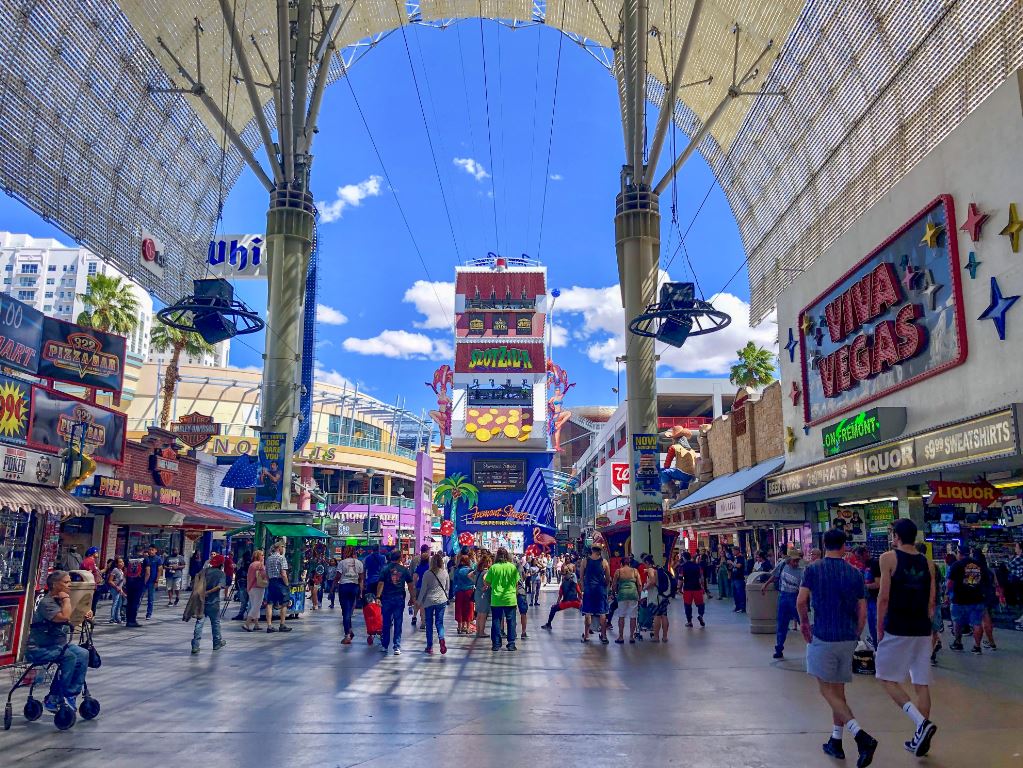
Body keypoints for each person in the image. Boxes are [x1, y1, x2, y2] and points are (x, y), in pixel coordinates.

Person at [797, 528, 878, 767]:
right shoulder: (854, 573)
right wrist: (856, 633)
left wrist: (803, 624)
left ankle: (861, 736)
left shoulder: (813, 570)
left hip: (823, 635)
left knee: (826, 691)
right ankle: (836, 741)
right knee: (839, 694)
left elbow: (801, 601)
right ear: (844, 546)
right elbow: (862, 609)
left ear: (824, 545)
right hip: (847, 637)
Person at [875, 518, 938, 758]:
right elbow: (931, 601)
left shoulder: (888, 559)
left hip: (897, 627)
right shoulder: (927, 563)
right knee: (921, 682)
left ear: (897, 537)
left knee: (885, 677)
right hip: (922, 628)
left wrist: (880, 627)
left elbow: (883, 597)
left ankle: (921, 724)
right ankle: (919, 737)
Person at [25, 571, 93, 712]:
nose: (69, 585)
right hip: (40, 647)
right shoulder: (47, 602)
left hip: (58, 645)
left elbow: (72, 617)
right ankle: (55, 696)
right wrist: (67, 600)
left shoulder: (61, 601)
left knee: (83, 653)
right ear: (56, 585)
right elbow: (64, 617)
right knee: (69, 657)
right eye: (66, 582)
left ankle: (71, 693)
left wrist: (85, 614)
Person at [763, 547, 804, 659]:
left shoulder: (802, 571)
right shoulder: (782, 566)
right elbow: (775, 577)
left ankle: (813, 646)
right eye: (794, 560)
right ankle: (779, 648)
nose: (796, 562)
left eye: (797, 560)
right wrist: (765, 585)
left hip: (795, 597)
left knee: (803, 623)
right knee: (781, 624)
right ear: (789, 560)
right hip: (783, 597)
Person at [377, 549, 415, 655]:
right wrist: (412, 597)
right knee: (398, 622)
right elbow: (410, 585)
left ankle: (385, 645)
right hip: (399, 598)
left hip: (387, 598)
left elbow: (380, 583)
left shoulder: (385, 569)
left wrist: (378, 597)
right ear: (400, 558)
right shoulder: (403, 570)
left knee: (386, 622)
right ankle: (396, 646)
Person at [947, 547, 986, 654]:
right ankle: (977, 647)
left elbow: (950, 583)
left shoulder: (956, 565)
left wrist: (947, 595)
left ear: (959, 553)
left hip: (959, 599)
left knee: (957, 622)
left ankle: (958, 642)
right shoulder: (978, 564)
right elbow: (984, 579)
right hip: (977, 598)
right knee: (977, 623)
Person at [191, 553, 227, 654]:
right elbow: (220, 586)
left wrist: (201, 592)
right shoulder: (221, 574)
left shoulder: (204, 571)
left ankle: (195, 645)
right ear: (221, 564)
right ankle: (216, 643)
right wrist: (208, 592)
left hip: (201, 602)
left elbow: (195, 581)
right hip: (214, 602)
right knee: (215, 623)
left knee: (199, 622)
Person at [485, 547, 519, 652]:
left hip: (496, 599)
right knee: (511, 621)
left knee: (496, 620)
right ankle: (511, 644)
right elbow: (517, 582)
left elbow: (487, 582)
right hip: (510, 599)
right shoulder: (512, 567)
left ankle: (496, 644)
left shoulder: (493, 568)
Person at [916, 543, 944, 665]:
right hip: (934, 602)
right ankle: (930, 654)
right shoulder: (934, 566)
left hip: (918, 602)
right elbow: (939, 584)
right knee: (933, 629)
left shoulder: (914, 567)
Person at [418, 553, 449, 654]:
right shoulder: (445, 573)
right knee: (439, 622)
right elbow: (447, 588)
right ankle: (441, 639)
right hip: (441, 600)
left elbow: (423, 589)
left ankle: (430, 646)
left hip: (429, 601)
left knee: (429, 623)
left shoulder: (427, 573)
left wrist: (419, 601)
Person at [973, 548, 1000, 651]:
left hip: (979, 597)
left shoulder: (974, 569)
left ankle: (981, 645)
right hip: (990, 596)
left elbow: (971, 584)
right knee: (988, 619)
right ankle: (991, 642)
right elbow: (996, 583)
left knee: (979, 622)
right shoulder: (990, 570)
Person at [337, 548, 365, 644]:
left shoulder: (342, 563)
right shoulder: (359, 563)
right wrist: (360, 591)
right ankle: (349, 630)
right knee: (349, 610)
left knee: (345, 612)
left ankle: (347, 635)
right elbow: (361, 579)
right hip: (354, 587)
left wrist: (332, 588)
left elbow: (337, 576)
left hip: (344, 587)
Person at [542, 563, 581, 630]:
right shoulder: (574, 582)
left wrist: (557, 604)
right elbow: (579, 592)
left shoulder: (563, 584)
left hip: (566, 602)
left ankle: (549, 624)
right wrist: (581, 600)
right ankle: (589, 629)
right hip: (575, 601)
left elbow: (560, 595)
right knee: (587, 611)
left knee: (553, 609)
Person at [264, 542, 293, 634]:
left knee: (270, 603)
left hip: (272, 582)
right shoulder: (281, 558)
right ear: (280, 548)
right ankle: (282, 624)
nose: (284, 549)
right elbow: (283, 574)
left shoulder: (268, 559)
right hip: (280, 582)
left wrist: (269, 582)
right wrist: (287, 584)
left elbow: (267, 573)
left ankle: (269, 625)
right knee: (284, 603)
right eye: (283, 547)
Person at [611, 557, 641, 643]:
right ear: (629, 564)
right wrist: (639, 595)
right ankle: (631, 637)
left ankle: (621, 637)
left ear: (621, 563)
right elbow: (639, 584)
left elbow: (614, 584)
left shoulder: (619, 571)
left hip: (622, 595)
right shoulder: (635, 571)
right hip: (633, 594)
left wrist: (614, 593)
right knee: (633, 616)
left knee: (621, 616)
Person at [645, 554, 672, 643]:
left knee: (657, 616)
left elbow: (652, 581)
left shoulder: (651, 570)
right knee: (664, 616)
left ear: (647, 562)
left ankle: (656, 637)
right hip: (664, 596)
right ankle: (665, 637)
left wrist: (645, 588)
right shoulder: (659, 569)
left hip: (656, 597)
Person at [679, 551, 706, 628]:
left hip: (687, 589)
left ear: (684, 558)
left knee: (687, 605)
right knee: (700, 604)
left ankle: (689, 621)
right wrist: (703, 587)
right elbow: (702, 578)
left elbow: (680, 579)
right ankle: (700, 615)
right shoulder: (697, 566)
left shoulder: (682, 567)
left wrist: (679, 588)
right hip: (697, 588)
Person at [244, 550, 267, 632]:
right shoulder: (260, 565)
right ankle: (247, 623)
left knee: (254, 605)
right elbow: (264, 575)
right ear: (258, 556)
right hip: (258, 587)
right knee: (256, 606)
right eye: (262, 555)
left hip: (250, 588)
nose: (263, 556)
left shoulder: (251, 565)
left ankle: (256, 624)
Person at [470, 552, 492, 638]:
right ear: (487, 563)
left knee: (479, 614)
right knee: (483, 614)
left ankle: (478, 631)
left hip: (477, 594)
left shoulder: (478, 571)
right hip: (484, 595)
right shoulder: (486, 572)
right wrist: (487, 585)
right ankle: (481, 631)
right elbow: (485, 580)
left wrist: (475, 582)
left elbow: (469, 575)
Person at [452, 554, 475, 634]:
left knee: (459, 609)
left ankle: (460, 627)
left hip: (459, 591)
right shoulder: (470, 570)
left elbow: (454, 581)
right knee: (469, 609)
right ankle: (468, 627)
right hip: (469, 591)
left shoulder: (457, 570)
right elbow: (473, 580)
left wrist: (453, 592)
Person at [123, 551, 146, 628]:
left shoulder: (128, 559)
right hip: (138, 582)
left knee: (129, 602)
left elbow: (125, 571)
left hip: (130, 582)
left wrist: (126, 581)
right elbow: (148, 572)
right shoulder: (145, 559)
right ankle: (132, 620)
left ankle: (128, 620)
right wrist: (144, 582)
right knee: (135, 602)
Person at [412, 545, 431, 629]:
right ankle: (424, 621)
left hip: (419, 586)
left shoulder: (416, 563)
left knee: (418, 603)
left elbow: (414, 575)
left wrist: (413, 585)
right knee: (425, 604)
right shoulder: (430, 565)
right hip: (427, 587)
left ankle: (414, 616)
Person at [142, 545, 163, 620]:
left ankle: (149, 614)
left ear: (155, 550)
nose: (151, 551)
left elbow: (160, 570)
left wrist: (157, 580)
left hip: (152, 581)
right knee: (139, 597)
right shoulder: (146, 559)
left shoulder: (158, 559)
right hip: (144, 580)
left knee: (150, 599)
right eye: (149, 550)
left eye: (152, 550)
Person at [107, 557, 126, 624]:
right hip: (114, 589)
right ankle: (112, 618)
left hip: (119, 590)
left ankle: (117, 618)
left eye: (122, 562)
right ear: (117, 563)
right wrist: (116, 587)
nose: (122, 563)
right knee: (115, 603)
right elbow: (110, 581)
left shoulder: (121, 571)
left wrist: (122, 591)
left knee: (119, 604)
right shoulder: (115, 570)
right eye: (120, 562)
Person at [730, 547, 747, 613]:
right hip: (734, 577)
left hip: (739, 578)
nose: (732, 552)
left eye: (733, 551)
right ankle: (737, 607)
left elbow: (739, 566)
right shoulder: (735, 558)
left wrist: (732, 563)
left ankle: (742, 607)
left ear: (737, 551)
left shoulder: (741, 558)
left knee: (740, 593)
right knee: (735, 594)